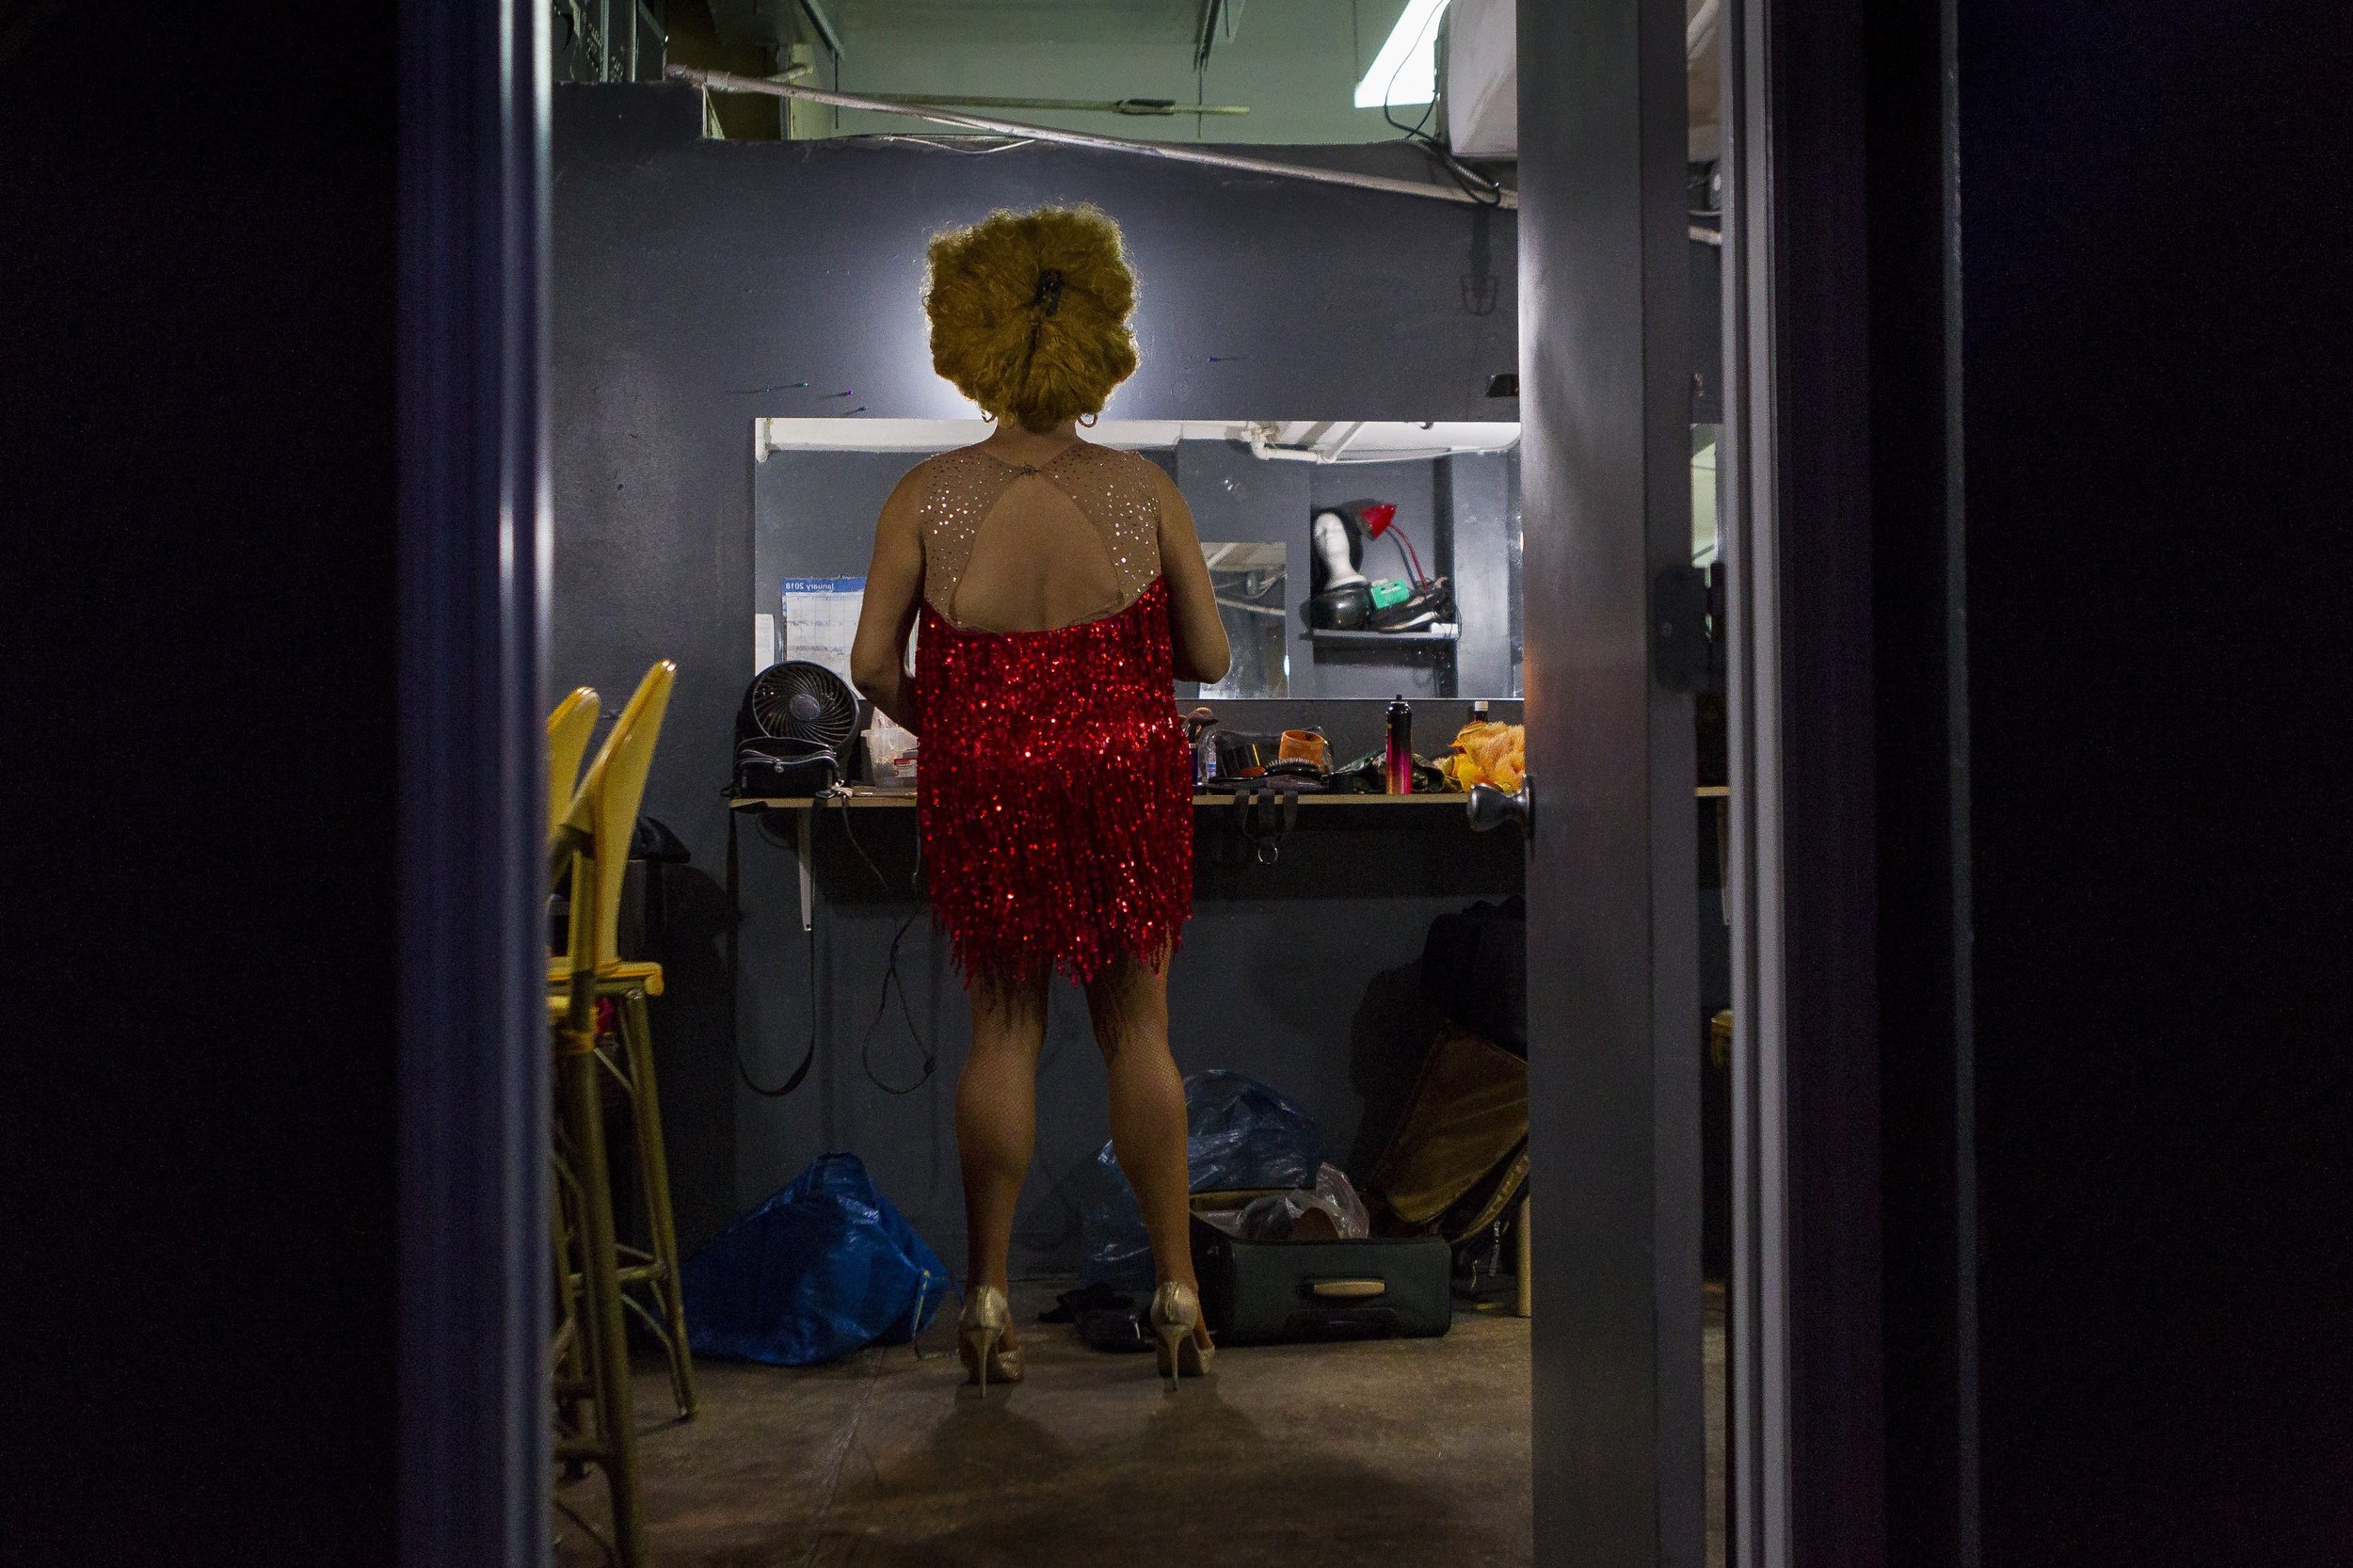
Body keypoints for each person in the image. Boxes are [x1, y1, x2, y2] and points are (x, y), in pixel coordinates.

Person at [849, 206, 1231, 1394]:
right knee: (1138, 1029)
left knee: (1003, 1029)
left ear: (969, 336)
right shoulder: (1143, 491)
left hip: (987, 782)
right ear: (1098, 336)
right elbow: (1210, 660)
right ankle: (1176, 1290)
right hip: (1125, 774)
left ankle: (988, 1299)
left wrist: (959, 729)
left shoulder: (927, 493)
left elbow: (866, 669)